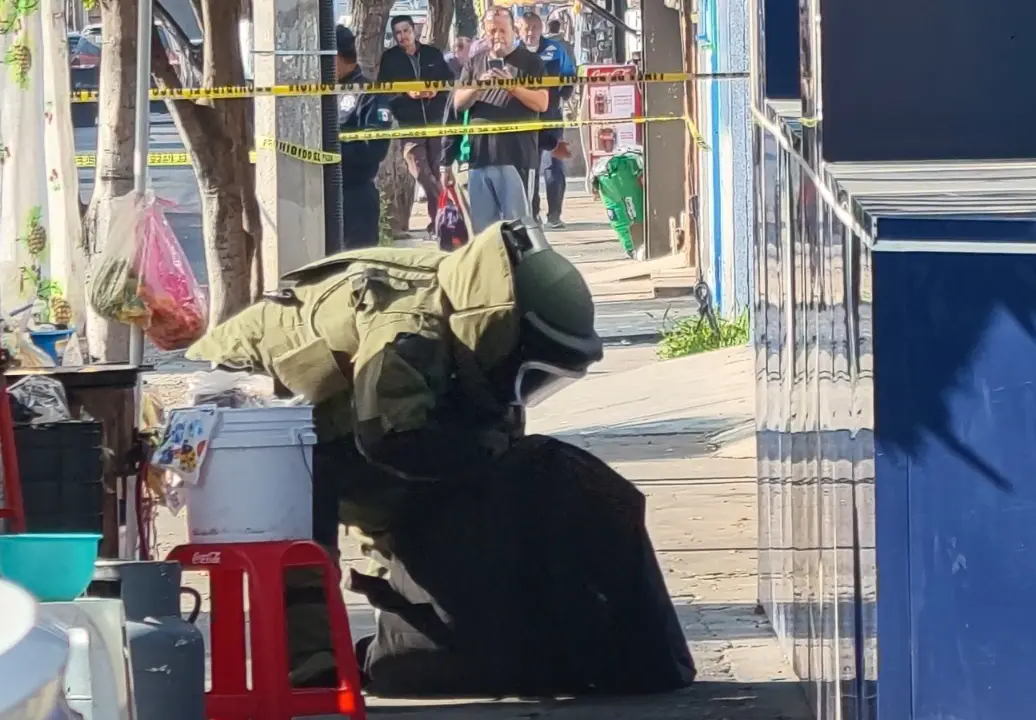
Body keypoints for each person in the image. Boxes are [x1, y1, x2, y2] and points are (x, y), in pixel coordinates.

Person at [187, 221, 695, 696]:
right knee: (300, 511)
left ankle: (403, 638)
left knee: (446, 491)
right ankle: (310, 661)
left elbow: (473, 447)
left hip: (334, 412)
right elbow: (392, 442)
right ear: (499, 334)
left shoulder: (465, 318)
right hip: (244, 403)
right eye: (530, 371)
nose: (527, 389)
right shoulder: (407, 336)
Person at [440, 7, 548, 234]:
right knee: (485, 232)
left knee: (519, 228)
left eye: (502, 30)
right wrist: (478, 87)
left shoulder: (530, 62)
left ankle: (521, 269)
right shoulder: (474, 63)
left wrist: (513, 88)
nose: (497, 35)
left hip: (517, 157)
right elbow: (458, 103)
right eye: (492, 30)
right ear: (484, 32)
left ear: (514, 31)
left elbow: (542, 103)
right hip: (480, 158)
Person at [377, 15, 455, 239]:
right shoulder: (390, 59)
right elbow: (383, 90)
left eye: (406, 31)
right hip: (409, 123)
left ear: (414, 31)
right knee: (420, 171)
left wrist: (435, 90)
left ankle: (437, 224)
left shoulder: (432, 54)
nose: (403, 36)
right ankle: (447, 209)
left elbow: (448, 81)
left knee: (435, 170)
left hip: (435, 119)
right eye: (398, 33)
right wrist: (406, 93)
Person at [335, 24, 394, 250]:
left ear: (338, 57)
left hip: (356, 197)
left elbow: (375, 148)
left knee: (359, 269)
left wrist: (333, 150)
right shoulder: (323, 92)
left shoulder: (367, 94)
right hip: (323, 197)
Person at [518, 11, 576, 228]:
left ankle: (554, 214)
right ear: (518, 30)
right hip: (523, 117)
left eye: (534, 28)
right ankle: (533, 214)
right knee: (528, 166)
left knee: (554, 164)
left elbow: (570, 75)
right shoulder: (514, 51)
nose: (530, 33)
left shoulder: (556, 49)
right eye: (525, 28)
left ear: (541, 29)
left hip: (551, 116)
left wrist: (562, 97)